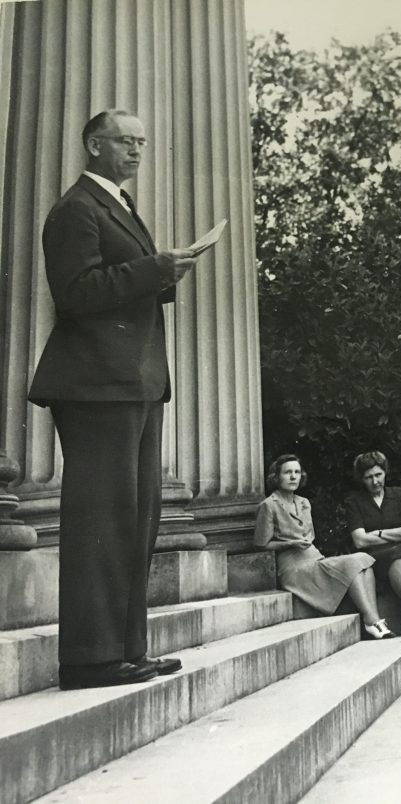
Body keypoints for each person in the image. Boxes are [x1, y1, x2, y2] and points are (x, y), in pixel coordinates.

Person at [28, 110, 198, 690]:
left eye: (141, 143)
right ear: (93, 145)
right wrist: (155, 269)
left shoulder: (117, 205)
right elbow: (74, 295)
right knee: (102, 523)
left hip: (133, 383)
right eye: (126, 141)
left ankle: (126, 651)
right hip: (96, 386)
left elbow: (120, 284)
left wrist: (161, 274)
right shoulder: (75, 209)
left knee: (136, 521)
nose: (136, 151)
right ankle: (90, 659)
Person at [255, 455, 392, 639]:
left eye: (297, 472)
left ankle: (374, 620)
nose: (293, 477)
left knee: (362, 559)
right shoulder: (269, 505)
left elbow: (309, 535)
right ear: (277, 477)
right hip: (294, 567)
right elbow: (261, 544)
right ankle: (371, 620)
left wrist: (303, 541)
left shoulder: (304, 503)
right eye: (288, 472)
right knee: (352, 563)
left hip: (314, 558)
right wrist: (290, 543)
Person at [345, 451, 401, 635]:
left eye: (378, 475)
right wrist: (396, 534)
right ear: (362, 479)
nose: (375, 481)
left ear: (385, 472)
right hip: (377, 556)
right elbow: (360, 540)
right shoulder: (354, 501)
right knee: (399, 558)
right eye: (368, 477)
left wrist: (379, 533)